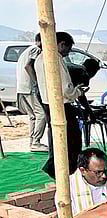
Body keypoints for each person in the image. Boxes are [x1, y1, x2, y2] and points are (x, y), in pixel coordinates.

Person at [35, 32, 83, 179]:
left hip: (48, 103)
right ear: (61, 44)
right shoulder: (54, 58)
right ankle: (66, 171)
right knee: (72, 141)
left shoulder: (39, 58)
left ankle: (58, 168)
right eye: (68, 49)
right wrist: (78, 92)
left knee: (58, 139)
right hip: (60, 105)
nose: (68, 52)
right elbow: (66, 90)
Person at [55, 148, 107, 216]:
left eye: (106, 170)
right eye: (98, 172)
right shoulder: (67, 189)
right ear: (83, 171)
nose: (104, 176)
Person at [16, 33, 47, 152]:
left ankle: (33, 141)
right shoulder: (36, 50)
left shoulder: (26, 50)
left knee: (33, 116)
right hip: (30, 87)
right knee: (41, 114)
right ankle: (36, 142)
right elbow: (28, 66)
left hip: (23, 87)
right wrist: (37, 83)